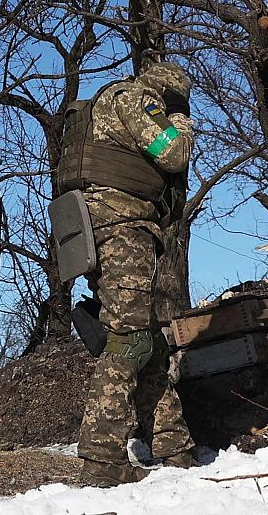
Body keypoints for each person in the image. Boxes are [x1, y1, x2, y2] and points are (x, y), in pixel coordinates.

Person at [57, 60, 196, 487]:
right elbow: (172, 152)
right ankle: (102, 459)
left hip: (95, 225)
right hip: (121, 225)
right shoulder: (137, 99)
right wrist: (180, 122)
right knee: (129, 339)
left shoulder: (107, 103)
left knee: (146, 338)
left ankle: (174, 444)